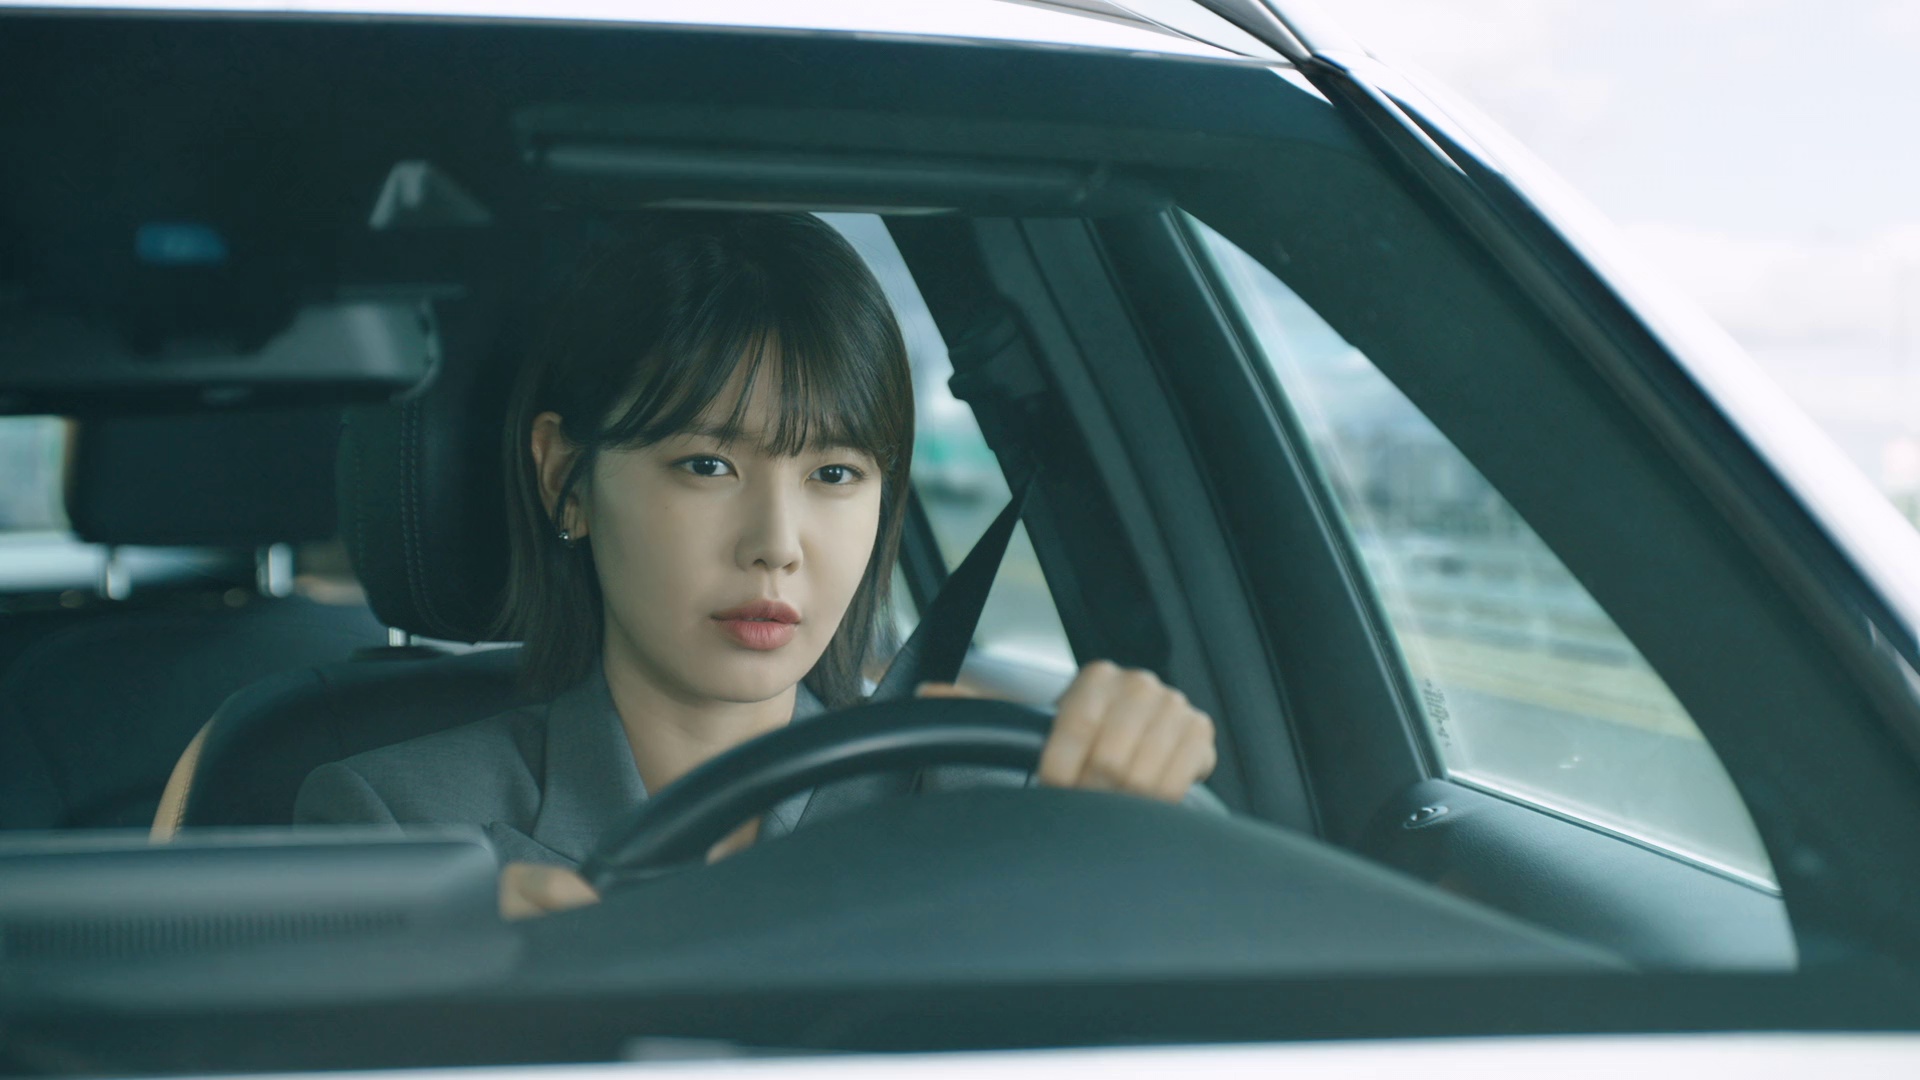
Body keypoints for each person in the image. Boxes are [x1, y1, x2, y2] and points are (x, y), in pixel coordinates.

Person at [294, 212, 1217, 919]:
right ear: (565, 477)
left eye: (833, 474)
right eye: (707, 465)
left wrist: (1135, 838)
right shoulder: (403, 830)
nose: (777, 543)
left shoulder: (996, 806)